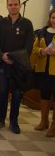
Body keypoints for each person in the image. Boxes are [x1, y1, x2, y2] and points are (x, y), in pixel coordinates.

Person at [0, 0, 34, 134]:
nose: (13, 6)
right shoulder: (1, 23)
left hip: (19, 65)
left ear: (20, 6)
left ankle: (14, 122)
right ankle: (0, 119)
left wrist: (16, 58)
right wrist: (1, 55)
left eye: (15, 4)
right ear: (7, 6)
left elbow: (29, 45)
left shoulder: (27, 23)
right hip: (3, 64)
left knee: (16, 94)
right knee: (3, 92)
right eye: (10, 4)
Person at [32, 9, 55, 137]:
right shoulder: (42, 32)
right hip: (43, 70)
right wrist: (42, 51)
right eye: (53, 18)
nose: (54, 20)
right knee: (44, 95)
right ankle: (43, 121)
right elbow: (34, 49)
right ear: (49, 18)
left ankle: (54, 125)